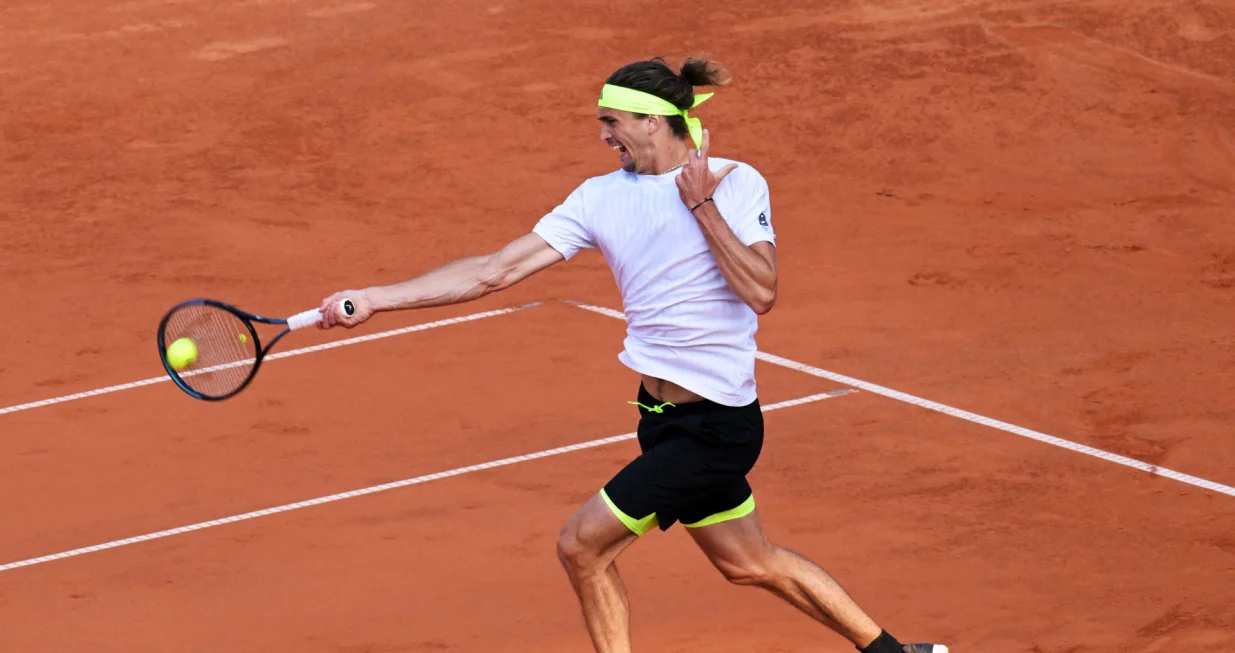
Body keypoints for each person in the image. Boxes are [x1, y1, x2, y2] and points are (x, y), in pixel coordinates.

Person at [314, 56, 947, 653]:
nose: (603, 136)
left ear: (651, 121)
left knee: (581, 546)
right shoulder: (598, 197)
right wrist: (375, 298)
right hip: (659, 420)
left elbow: (761, 292)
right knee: (749, 563)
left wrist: (700, 205)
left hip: (716, 426)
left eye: (611, 122)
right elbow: (492, 271)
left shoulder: (733, 182)